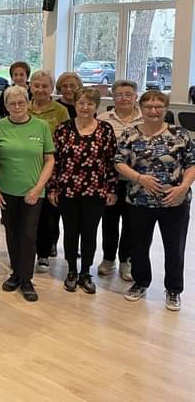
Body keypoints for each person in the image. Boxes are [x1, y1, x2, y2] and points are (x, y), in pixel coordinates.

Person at [115, 90, 195, 311]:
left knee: (175, 248)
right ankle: (140, 282)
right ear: (141, 109)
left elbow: (191, 163)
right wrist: (139, 178)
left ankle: (173, 289)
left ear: (166, 109)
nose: (153, 111)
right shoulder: (131, 134)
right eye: (148, 106)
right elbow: (119, 162)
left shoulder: (179, 134)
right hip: (139, 201)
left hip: (175, 201)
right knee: (139, 246)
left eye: (158, 107)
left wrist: (183, 187)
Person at [48, 88, 118, 294]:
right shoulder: (63, 129)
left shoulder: (105, 129)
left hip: (96, 191)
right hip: (67, 190)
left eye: (90, 103)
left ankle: (86, 271)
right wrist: (52, 188)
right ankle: (71, 270)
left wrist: (112, 189)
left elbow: (111, 161)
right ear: (75, 104)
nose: (85, 107)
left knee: (90, 232)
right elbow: (54, 161)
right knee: (70, 232)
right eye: (81, 103)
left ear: (96, 106)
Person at [0, 85, 55, 302]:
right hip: (7, 191)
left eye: (21, 102)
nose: (17, 107)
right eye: (12, 103)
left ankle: (26, 279)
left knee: (28, 236)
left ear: (28, 103)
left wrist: (38, 188)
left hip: (33, 192)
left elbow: (49, 160)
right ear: (6, 106)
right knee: (12, 234)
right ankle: (15, 274)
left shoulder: (41, 126)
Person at [97, 80, 144, 281]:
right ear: (112, 97)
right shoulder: (103, 119)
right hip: (111, 181)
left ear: (135, 97)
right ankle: (108, 259)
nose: (123, 98)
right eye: (119, 95)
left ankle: (126, 260)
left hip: (137, 181)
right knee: (109, 221)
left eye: (128, 94)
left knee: (131, 223)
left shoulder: (145, 119)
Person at [28, 70, 69, 272]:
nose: (40, 89)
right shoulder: (24, 106)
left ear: (51, 88)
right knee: (27, 215)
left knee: (47, 216)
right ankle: (26, 252)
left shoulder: (60, 111)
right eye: (36, 85)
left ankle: (43, 254)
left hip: (52, 169)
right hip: (27, 168)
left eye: (45, 86)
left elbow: (66, 141)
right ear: (30, 87)